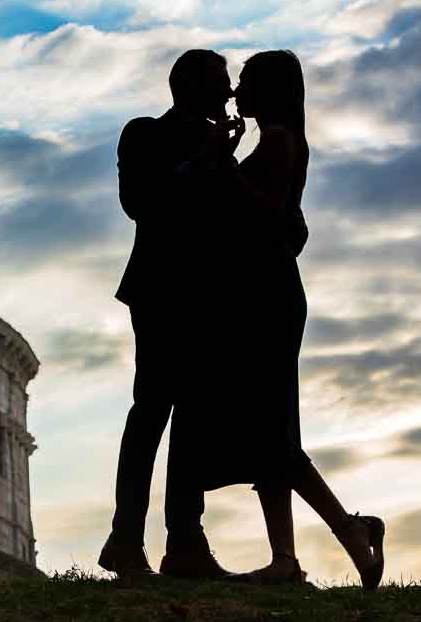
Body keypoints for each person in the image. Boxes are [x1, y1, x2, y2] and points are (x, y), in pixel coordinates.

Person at [172, 49, 385, 588]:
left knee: (273, 430)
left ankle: (349, 530)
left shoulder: (282, 141)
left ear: (269, 89)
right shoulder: (274, 141)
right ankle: (287, 559)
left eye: (245, 81)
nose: (236, 90)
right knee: (269, 431)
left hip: (266, 297)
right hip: (256, 294)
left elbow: (267, 214)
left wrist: (222, 165)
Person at [99, 49, 239, 580]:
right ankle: (128, 538)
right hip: (161, 289)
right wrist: (199, 165)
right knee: (152, 410)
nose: (227, 94)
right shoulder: (144, 133)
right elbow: (139, 202)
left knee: (195, 418)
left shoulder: (213, 143)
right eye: (219, 82)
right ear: (190, 85)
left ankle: (184, 541)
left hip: (208, 294)